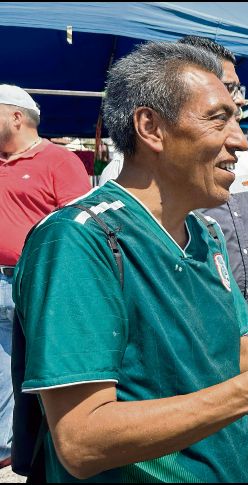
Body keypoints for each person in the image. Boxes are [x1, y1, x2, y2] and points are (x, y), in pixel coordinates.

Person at [12, 41, 248, 483]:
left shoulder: (206, 233)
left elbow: (226, 348)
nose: (240, 141)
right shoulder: (78, 240)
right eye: (219, 118)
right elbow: (81, 441)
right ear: (151, 128)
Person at [179, 35, 248, 484]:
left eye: (238, 91)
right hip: (196, 378)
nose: (239, 101)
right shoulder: (143, 178)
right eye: (227, 91)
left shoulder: (244, 163)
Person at [0, 84, 91, 468]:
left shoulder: (59, 161)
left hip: (34, 283)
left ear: (16, 117)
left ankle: (33, 449)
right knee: (5, 372)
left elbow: (78, 227)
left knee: (35, 369)